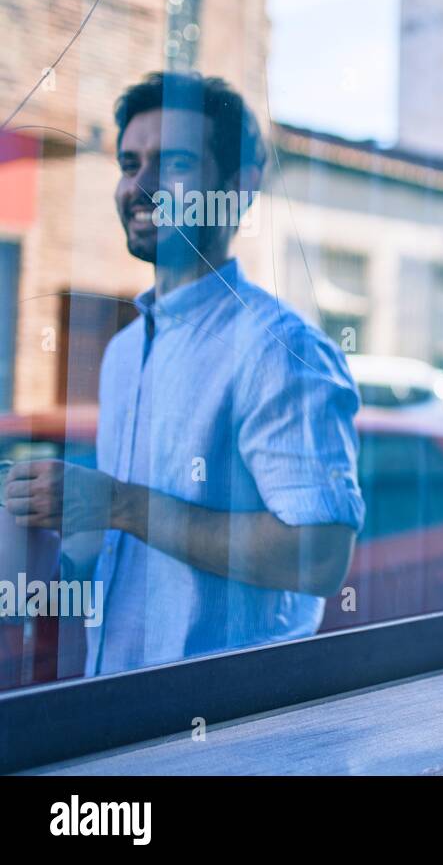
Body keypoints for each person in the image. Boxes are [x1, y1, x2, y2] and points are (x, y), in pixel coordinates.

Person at [1, 71, 365, 676]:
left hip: (229, 739)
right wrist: (60, 538)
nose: (139, 186)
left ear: (239, 188)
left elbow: (322, 556)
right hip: (119, 717)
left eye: (172, 164)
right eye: (128, 163)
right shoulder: (123, 352)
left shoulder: (281, 350)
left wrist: (119, 504)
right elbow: (137, 550)